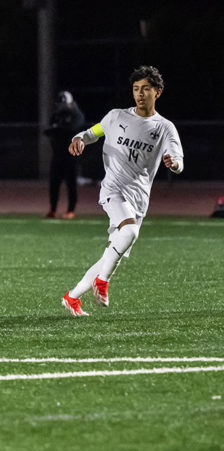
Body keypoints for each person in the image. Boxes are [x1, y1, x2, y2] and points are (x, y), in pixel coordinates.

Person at [62, 65, 183, 316]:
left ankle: (72, 297)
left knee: (110, 252)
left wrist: (174, 163)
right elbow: (93, 132)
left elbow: (177, 157)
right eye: (136, 89)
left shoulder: (164, 128)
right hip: (113, 189)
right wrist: (80, 138)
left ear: (157, 93)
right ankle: (102, 282)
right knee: (129, 231)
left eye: (145, 89)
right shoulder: (116, 116)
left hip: (139, 199)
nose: (139, 94)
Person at [44, 90, 85, 219]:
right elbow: (48, 130)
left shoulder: (76, 114)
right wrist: (61, 130)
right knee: (54, 183)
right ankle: (53, 209)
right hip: (57, 154)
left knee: (71, 183)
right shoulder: (57, 115)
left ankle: (70, 210)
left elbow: (73, 129)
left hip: (71, 155)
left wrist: (59, 130)